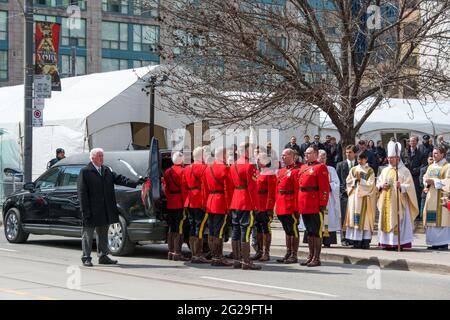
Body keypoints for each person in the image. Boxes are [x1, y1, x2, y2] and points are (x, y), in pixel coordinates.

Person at [77, 148, 144, 267]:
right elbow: (82, 193)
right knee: (87, 235)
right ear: (92, 158)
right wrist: (84, 210)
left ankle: (103, 256)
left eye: (102, 156)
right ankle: (86, 257)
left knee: (103, 234)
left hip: (104, 209)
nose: (102, 158)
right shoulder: (85, 171)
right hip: (91, 210)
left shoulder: (106, 170)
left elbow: (120, 179)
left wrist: (137, 182)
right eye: (99, 156)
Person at [377, 141, 419, 250]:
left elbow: (410, 186)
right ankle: (386, 242)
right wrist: (382, 185)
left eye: (392, 158)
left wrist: (401, 186)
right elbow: (378, 183)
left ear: (398, 158)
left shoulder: (404, 171)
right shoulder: (385, 170)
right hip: (386, 201)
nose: (390, 159)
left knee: (398, 220)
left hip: (399, 203)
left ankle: (397, 243)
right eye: (389, 158)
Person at [229, 142, 261, 270]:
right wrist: (256, 205)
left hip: (235, 200)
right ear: (246, 151)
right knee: (245, 230)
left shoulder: (233, 165)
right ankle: (246, 261)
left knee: (236, 230)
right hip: (246, 201)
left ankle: (237, 259)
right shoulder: (249, 166)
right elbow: (252, 188)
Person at [298, 146, 329, 267]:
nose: (306, 155)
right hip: (304, 203)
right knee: (309, 231)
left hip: (314, 203)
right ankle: (310, 256)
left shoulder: (320, 167)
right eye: (305, 153)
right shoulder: (304, 167)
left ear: (315, 154)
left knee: (316, 231)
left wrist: (323, 203)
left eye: (309, 153)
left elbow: (324, 187)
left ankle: (317, 257)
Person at [202, 147, 234, 266]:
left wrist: (205, 203)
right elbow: (227, 189)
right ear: (223, 155)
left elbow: (204, 189)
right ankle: (218, 257)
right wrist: (229, 205)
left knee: (211, 230)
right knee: (219, 231)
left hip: (210, 201)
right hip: (220, 202)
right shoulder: (225, 169)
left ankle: (214, 255)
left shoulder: (208, 168)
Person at [344, 151, 377, 249]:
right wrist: (355, 180)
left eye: (362, 159)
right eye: (358, 159)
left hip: (364, 198)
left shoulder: (370, 170)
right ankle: (355, 241)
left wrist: (361, 180)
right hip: (354, 197)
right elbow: (348, 181)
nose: (360, 161)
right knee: (354, 218)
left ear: (366, 159)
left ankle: (365, 241)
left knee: (365, 219)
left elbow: (371, 184)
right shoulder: (353, 169)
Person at [181, 146, 209, 263]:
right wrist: (204, 202)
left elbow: (183, 187)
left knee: (193, 226)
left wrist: (185, 201)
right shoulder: (204, 168)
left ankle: (194, 253)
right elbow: (205, 187)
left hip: (189, 200)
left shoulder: (187, 169)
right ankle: (198, 254)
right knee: (200, 227)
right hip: (199, 200)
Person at [275, 148, 300, 264]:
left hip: (290, 204)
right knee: (286, 229)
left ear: (292, 156)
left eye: (285, 155)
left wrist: (296, 208)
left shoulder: (296, 171)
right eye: (282, 155)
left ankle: (294, 254)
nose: (282, 157)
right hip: (281, 203)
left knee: (292, 229)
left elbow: (297, 190)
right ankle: (288, 252)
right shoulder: (281, 171)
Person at [163, 152, 189, 261]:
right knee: (179, 227)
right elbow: (184, 189)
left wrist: (169, 197)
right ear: (181, 161)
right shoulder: (183, 171)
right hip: (179, 201)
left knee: (171, 227)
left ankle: (170, 251)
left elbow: (165, 188)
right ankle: (177, 253)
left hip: (170, 201)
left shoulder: (167, 172)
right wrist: (185, 202)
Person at [423, 146, 450, 250]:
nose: (434, 156)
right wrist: (426, 182)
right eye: (433, 153)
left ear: (442, 154)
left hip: (442, 197)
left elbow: (449, 181)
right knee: (431, 220)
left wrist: (434, 181)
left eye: (436, 153)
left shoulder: (447, 167)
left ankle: (443, 243)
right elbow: (425, 177)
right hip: (431, 196)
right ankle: (434, 243)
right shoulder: (431, 167)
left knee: (442, 221)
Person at [252, 152, 276, 261]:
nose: (257, 161)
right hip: (256, 205)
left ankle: (266, 252)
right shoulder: (257, 173)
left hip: (264, 205)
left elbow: (272, 192)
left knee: (266, 229)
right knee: (257, 229)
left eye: (259, 159)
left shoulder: (270, 173)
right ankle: (259, 250)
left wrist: (269, 207)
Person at [314, 149, 341, 247]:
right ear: (317, 157)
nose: (322, 159)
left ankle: (327, 240)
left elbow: (336, 184)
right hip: (316, 198)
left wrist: (329, 186)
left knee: (327, 218)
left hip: (328, 198)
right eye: (321, 157)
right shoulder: (314, 168)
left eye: (324, 157)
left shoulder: (331, 169)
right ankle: (316, 240)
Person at [336, 145, 358, 246]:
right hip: (344, 195)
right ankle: (344, 238)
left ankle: (354, 237)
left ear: (355, 153)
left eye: (350, 152)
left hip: (357, 195)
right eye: (346, 152)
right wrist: (343, 189)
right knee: (344, 217)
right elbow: (338, 180)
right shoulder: (340, 165)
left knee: (355, 216)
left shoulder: (359, 165)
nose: (348, 154)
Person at [402, 135, 426, 212]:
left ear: (417, 142)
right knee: (407, 193)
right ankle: (408, 212)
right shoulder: (404, 153)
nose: (412, 142)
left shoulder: (421, 153)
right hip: (406, 177)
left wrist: (416, 170)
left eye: (414, 141)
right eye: (410, 141)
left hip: (416, 177)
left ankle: (417, 212)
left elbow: (423, 165)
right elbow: (401, 163)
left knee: (416, 194)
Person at [419, 155, 434, 219]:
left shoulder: (437, 169)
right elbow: (420, 182)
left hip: (433, 194)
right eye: (430, 159)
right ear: (427, 160)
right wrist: (426, 187)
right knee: (423, 215)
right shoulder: (423, 169)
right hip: (425, 193)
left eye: (432, 159)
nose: (431, 161)